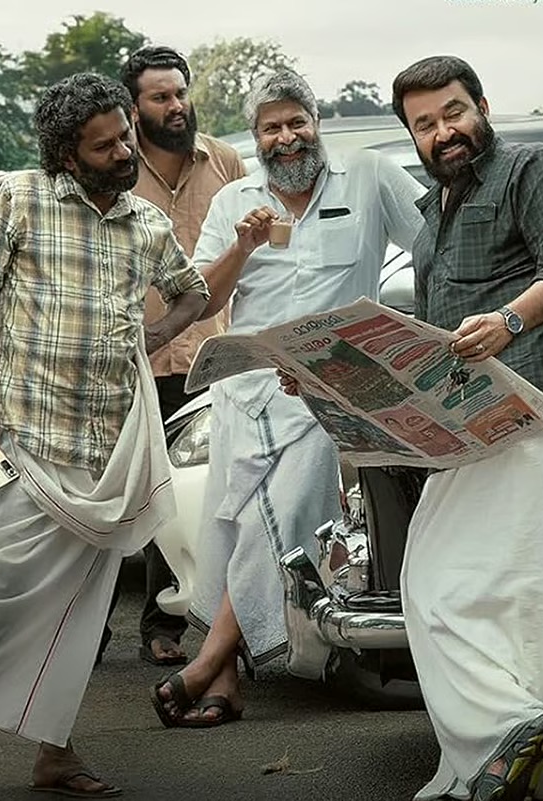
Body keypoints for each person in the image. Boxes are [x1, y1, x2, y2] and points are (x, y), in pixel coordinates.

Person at [0, 73, 209, 801]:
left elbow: (193, 291)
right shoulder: (18, 197)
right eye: (105, 146)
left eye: (125, 136)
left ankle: (55, 755)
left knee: (78, 615)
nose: (124, 152)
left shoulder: (145, 222)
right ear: (67, 155)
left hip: (107, 457)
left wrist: (155, 334)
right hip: (28, 448)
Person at [150, 69, 425, 728]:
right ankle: (224, 685)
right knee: (228, 524)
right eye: (272, 127)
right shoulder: (234, 200)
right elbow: (204, 302)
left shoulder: (369, 176)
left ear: (316, 121)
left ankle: (204, 663)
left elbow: (435, 244)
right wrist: (243, 246)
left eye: (296, 121)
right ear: (257, 136)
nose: (287, 136)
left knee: (275, 521)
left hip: (327, 392)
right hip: (246, 390)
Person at [388, 55, 543, 801]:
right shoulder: (436, 208)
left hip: (538, 402)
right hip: (471, 418)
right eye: (424, 124)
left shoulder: (537, 166)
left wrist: (509, 321)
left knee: (462, 589)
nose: (443, 132)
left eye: (453, 112)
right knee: (472, 591)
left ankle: (510, 737)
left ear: (483, 107)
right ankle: (509, 759)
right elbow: (432, 327)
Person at [93, 45, 246, 669]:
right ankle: (87, 631)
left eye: (181, 92)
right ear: (135, 108)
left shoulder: (225, 161)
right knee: (116, 496)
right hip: (135, 362)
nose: (176, 105)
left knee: (186, 499)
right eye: (161, 97)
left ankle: (167, 624)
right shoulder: (117, 169)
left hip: (210, 359)